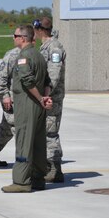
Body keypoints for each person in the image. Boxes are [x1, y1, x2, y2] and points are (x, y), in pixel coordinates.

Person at [2, 25, 52, 193]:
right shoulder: (39, 55)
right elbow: (47, 81)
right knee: (38, 143)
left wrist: (39, 98)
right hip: (39, 107)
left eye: (15, 35)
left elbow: (27, 80)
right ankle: (38, 178)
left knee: (23, 141)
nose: (13, 38)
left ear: (23, 38)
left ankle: (22, 181)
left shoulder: (24, 56)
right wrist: (45, 98)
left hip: (27, 103)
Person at [35, 17, 66, 183]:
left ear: (39, 29)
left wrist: (46, 95)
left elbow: (53, 74)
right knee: (46, 133)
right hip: (46, 97)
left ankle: (55, 169)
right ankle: (49, 167)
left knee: (50, 133)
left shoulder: (54, 47)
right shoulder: (45, 46)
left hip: (52, 98)